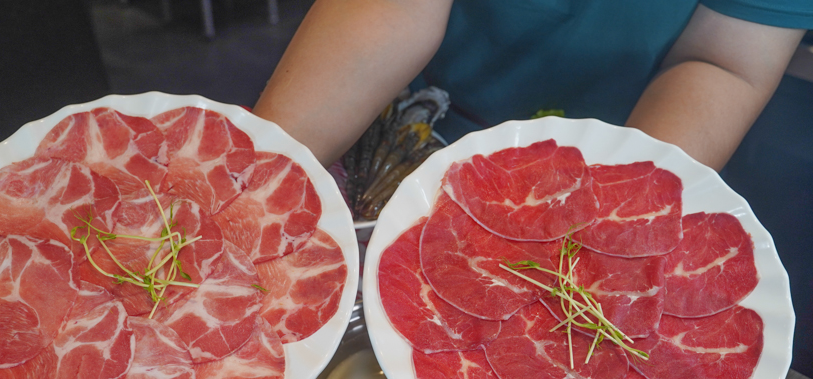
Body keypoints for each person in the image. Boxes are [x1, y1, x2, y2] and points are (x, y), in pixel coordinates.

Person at [252, 0, 810, 170]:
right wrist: (264, 170)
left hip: (617, 134)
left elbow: (723, 60)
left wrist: (622, 200)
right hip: (414, 104)